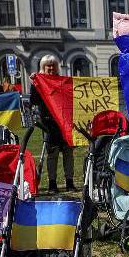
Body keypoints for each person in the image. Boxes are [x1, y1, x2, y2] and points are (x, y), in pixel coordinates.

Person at [31, 55, 76, 192]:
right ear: (43, 67)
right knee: (53, 154)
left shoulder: (64, 81)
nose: (51, 68)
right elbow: (34, 101)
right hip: (49, 124)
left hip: (65, 122)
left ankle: (69, 181)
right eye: (47, 65)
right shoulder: (39, 83)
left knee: (68, 153)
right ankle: (52, 183)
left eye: (53, 65)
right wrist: (34, 85)